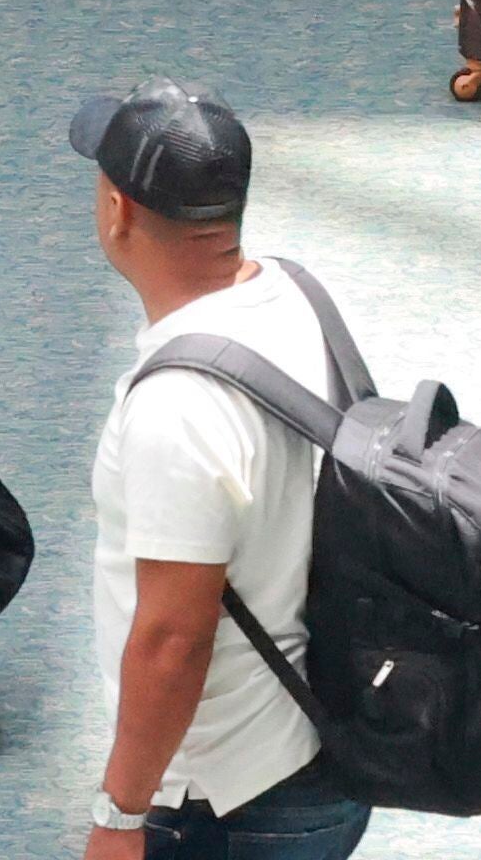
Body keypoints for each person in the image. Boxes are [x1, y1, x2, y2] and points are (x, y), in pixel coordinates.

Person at [73, 80, 369, 860]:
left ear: (118, 212)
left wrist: (119, 817)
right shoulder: (295, 296)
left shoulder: (176, 408)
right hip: (322, 748)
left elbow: (174, 635)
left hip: (224, 804)